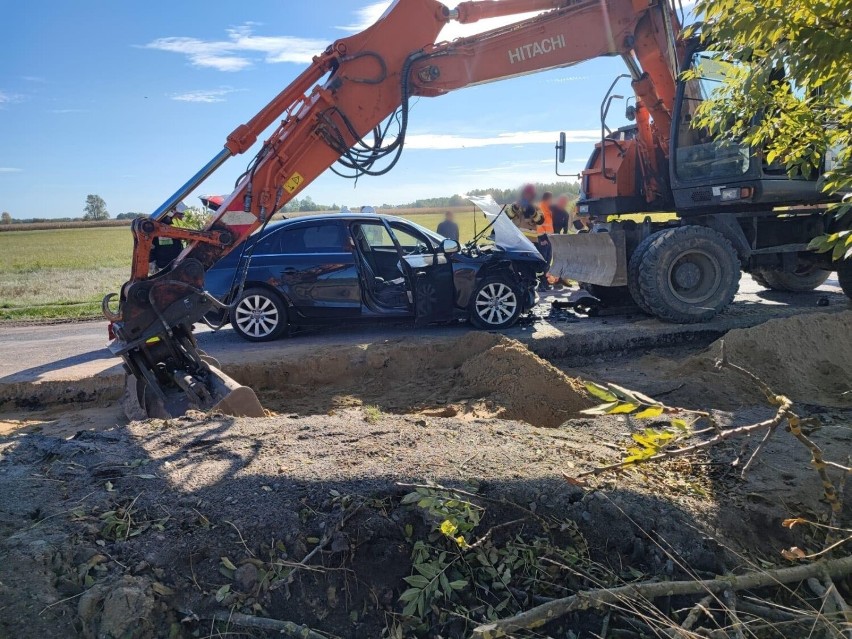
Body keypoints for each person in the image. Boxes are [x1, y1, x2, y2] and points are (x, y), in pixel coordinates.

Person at [149, 203, 186, 274]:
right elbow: (150, 246)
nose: (182, 218)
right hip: (163, 266)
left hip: (176, 264)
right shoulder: (160, 227)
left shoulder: (175, 227)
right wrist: (151, 262)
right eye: (181, 215)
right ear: (172, 212)